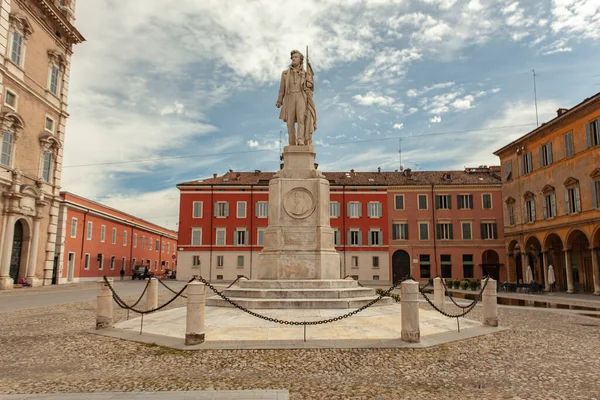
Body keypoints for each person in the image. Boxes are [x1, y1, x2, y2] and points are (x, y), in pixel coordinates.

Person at [276, 49, 316, 146]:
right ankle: (292, 142)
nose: (293, 59)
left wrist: (309, 82)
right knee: (290, 122)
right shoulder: (285, 73)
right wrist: (279, 100)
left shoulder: (305, 74)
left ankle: (301, 140)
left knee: (301, 119)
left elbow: (311, 86)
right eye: (292, 57)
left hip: (301, 96)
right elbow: (282, 88)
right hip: (290, 97)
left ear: (300, 60)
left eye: (296, 57)